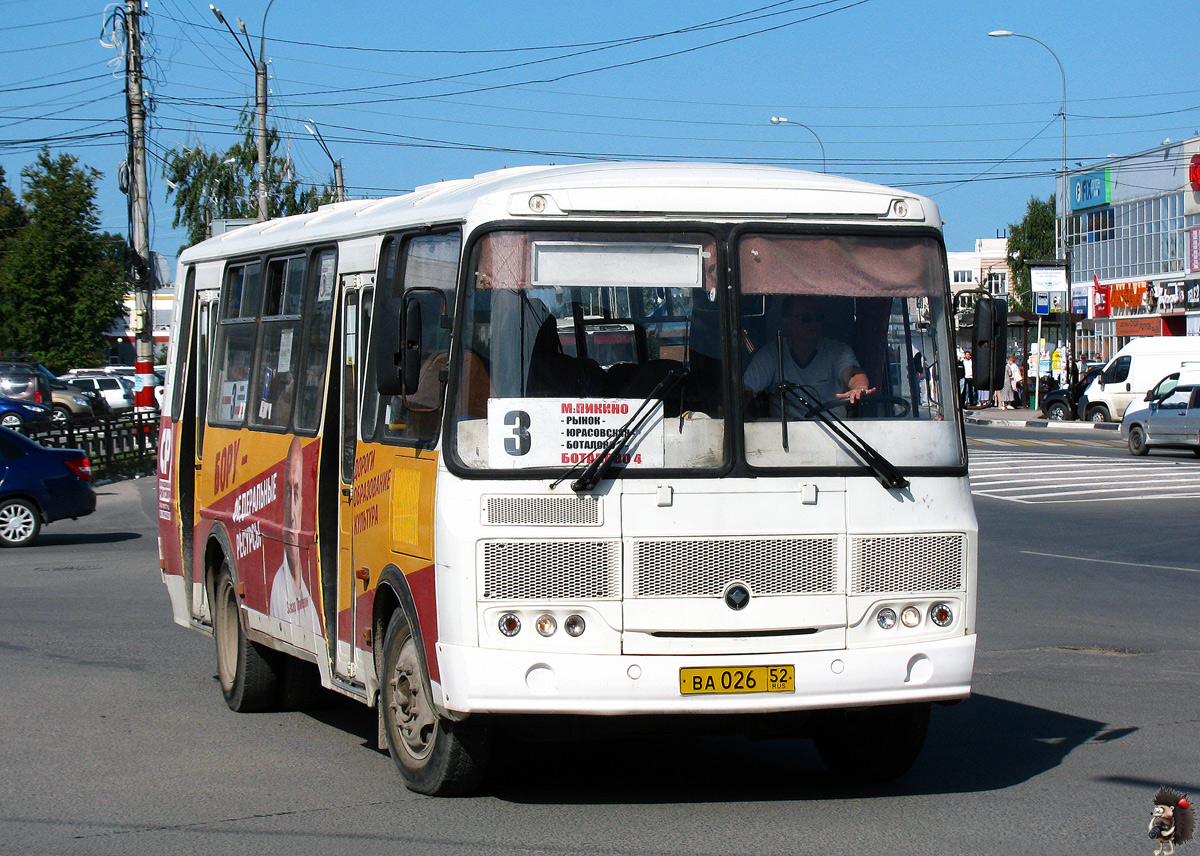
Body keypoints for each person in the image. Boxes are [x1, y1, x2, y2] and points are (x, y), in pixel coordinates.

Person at [742, 295, 873, 417]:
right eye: (806, 319)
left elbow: (852, 373)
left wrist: (859, 387)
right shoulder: (772, 354)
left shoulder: (837, 351)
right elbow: (746, 390)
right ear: (787, 323)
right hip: (785, 437)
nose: (814, 323)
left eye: (818, 317)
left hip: (834, 435)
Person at [270, 436, 320, 634]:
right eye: (288, 492)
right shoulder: (278, 589)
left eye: (297, 492)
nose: (291, 510)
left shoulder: (312, 593)